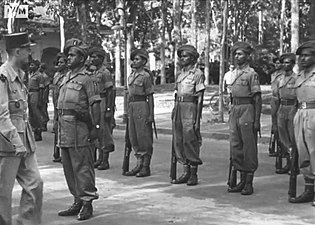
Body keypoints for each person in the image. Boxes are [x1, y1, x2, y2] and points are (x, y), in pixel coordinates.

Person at [0, 32, 43, 225]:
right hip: (7, 144)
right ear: (17, 51)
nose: (30, 55)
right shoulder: (3, 77)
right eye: (27, 50)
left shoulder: (20, 75)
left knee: (34, 184)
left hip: (24, 142)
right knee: (2, 193)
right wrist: (16, 144)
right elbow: (2, 115)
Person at [57, 38, 101, 220]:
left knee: (82, 167)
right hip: (64, 128)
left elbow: (95, 105)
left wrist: (96, 128)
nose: (68, 58)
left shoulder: (87, 79)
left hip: (79, 128)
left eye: (72, 54)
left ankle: (87, 202)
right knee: (68, 167)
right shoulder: (65, 77)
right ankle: (77, 200)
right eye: (68, 54)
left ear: (82, 58)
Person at [227, 42, 261, 195]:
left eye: (240, 54)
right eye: (235, 54)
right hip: (234, 109)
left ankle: (249, 182)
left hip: (247, 109)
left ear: (248, 56)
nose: (236, 57)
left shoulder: (251, 74)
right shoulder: (233, 73)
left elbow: (257, 98)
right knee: (236, 145)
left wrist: (257, 120)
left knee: (248, 146)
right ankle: (240, 179)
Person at [171, 45, 205, 186]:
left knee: (190, 139)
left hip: (190, 107)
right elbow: (176, 93)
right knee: (178, 140)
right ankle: (184, 171)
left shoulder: (197, 74)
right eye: (181, 56)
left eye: (185, 56)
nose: (182, 59)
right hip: (179, 107)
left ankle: (193, 173)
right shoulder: (179, 74)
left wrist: (197, 120)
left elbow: (200, 98)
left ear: (192, 58)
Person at [290, 40, 315, 206]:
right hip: (300, 114)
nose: (303, 59)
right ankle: (309, 189)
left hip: (314, 114)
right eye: (301, 56)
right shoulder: (299, 75)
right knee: (303, 153)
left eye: (307, 56)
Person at [123, 49, 154, 178]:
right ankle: (138, 163)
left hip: (142, 105)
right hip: (132, 106)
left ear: (144, 61)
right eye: (134, 59)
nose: (134, 61)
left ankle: (146, 166)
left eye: (137, 59)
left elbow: (150, 96)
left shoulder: (146, 76)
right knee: (133, 136)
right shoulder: (131, 76)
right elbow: (127, 94)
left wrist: (151, 114)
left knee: (143, 137)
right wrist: (125, 111)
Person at [89, 47, 115, 170]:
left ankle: (105, 160)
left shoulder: (105, 73)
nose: (93, 59)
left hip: (103, 101)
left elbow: (110, 91)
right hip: (95, 102)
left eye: (96, 57)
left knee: (104, 132)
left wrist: (109, 109)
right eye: (92, 57)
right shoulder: (92, 72)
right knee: (96, 130)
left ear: (101, 58)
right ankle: (99, 158)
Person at [274, 53, 297, 174]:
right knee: (283, 137)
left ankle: (295, 164)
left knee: (293, 137)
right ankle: (289, 162)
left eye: (288, 62)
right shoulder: (279, 79)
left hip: (293, 107)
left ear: (293, 64)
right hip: (282, 108)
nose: (285, 65)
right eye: (283, 62)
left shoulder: (297, 78)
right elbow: (276, 97)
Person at [52, 53, 68, 162]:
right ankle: (56, 153)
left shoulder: (68, 75)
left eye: (61, 62)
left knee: (64, 130)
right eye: (58, 62)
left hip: (64, 105)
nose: (59, 64)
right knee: (56, 129)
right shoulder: (56, 75)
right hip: (56, 105)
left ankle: (64, 155)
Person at [269, 57, 283, 157]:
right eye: (276, 63)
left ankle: (282, 148)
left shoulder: (283, 75)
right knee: (274, 125)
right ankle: (274, 146)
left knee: (281, 125)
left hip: (281, 100)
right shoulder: (273, 74)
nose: (277, 65)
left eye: (279, 63)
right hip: (273, 100)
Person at [28, 59, 43, 141]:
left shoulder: (39, 75)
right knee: (31, 114)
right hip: (29, 93)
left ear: (37, 66)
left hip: (35, 93)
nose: (30, 67)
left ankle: (38, 130)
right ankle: (33, 130)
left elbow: (41, 88)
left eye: (32, 65)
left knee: (36, 113)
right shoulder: (30, 74)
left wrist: (40, 100)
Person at [38, 63, 50, 132]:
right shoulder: (40, 76)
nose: (40, 68)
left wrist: (44, 98)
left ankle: (44, 125)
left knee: (44, 111)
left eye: (41, 67)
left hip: (43, 97)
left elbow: (46, 89)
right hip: (41, 96)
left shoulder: (45, 76)